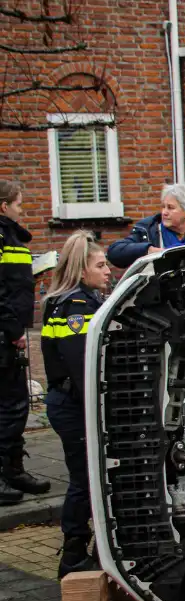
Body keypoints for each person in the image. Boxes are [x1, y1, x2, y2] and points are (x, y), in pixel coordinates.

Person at [41, 231, 110, 576]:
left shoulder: (78, 299)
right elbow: (84, 364)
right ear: (82, 271)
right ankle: (72, 554)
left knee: (88, 475)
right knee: (84, 477)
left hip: (69, 401)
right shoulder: (76, 305)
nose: (108, 270)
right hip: (72, 404)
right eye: (100, 265)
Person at [0, 181, 51, 506]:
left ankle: (14, 469)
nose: (22, 210)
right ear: (4, 206)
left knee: (15, 405)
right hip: (4, 335)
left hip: (8, 333)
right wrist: (13, 329)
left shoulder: (11, 235)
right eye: (18, 204)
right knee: (8, 407)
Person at [107, 183, 185, 268]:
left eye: (170, 208)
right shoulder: (148, 229)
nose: (164, 212)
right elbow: (114, 253)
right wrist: (148, 250)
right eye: (163, 206)